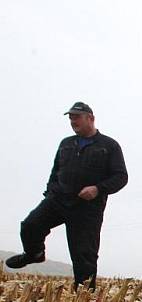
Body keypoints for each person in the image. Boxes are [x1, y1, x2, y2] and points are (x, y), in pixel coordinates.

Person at [5, 102, 128, 289]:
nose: (72, 121)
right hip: (58, 199)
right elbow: (55, 172)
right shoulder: (66, 144)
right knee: (30, 225)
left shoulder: (109, 146)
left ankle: (84, 297)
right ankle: (34, 254)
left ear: (90, 118)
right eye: (70, 118)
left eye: (76, 117)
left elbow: (121, 177)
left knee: (83, 254)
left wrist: (97, 189)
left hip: (87, 208)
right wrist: (50, 192)